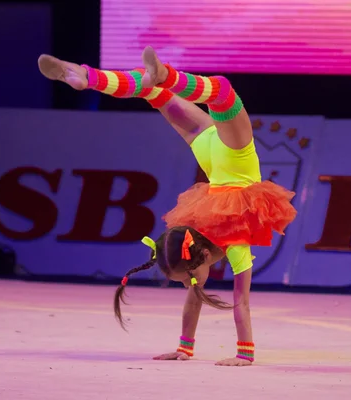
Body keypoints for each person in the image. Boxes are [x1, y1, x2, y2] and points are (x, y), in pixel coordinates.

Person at [37, 47, 297, 366]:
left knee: (221, 93)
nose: (191, 284)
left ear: (200, 256)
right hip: (212, 159)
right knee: (161, 91)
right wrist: (185, 349)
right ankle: (89, 77)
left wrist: (244, 354)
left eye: (187, 279)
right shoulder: (197, 239)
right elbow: (218, 300)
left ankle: (106, 76)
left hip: (230, 158)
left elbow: (241, 302)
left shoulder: (226, 242)